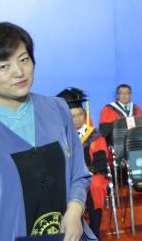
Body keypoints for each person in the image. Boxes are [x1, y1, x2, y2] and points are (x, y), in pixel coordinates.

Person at [0, 21, 94, 240]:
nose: (19, 72)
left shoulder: (57, 110)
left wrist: (75, 209)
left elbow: (78, 174)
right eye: (3, 66)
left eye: (24, 59)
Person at [58, 88, 110, 240]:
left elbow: (101, 162)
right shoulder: (60, 135)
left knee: (96, 185)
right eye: (73, 116)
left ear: (85, 115)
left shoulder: (94, 135)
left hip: (92, 175)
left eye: (80, 115)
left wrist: (85, 172)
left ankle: (94, 231)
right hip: (66, 177)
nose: (77, 119)